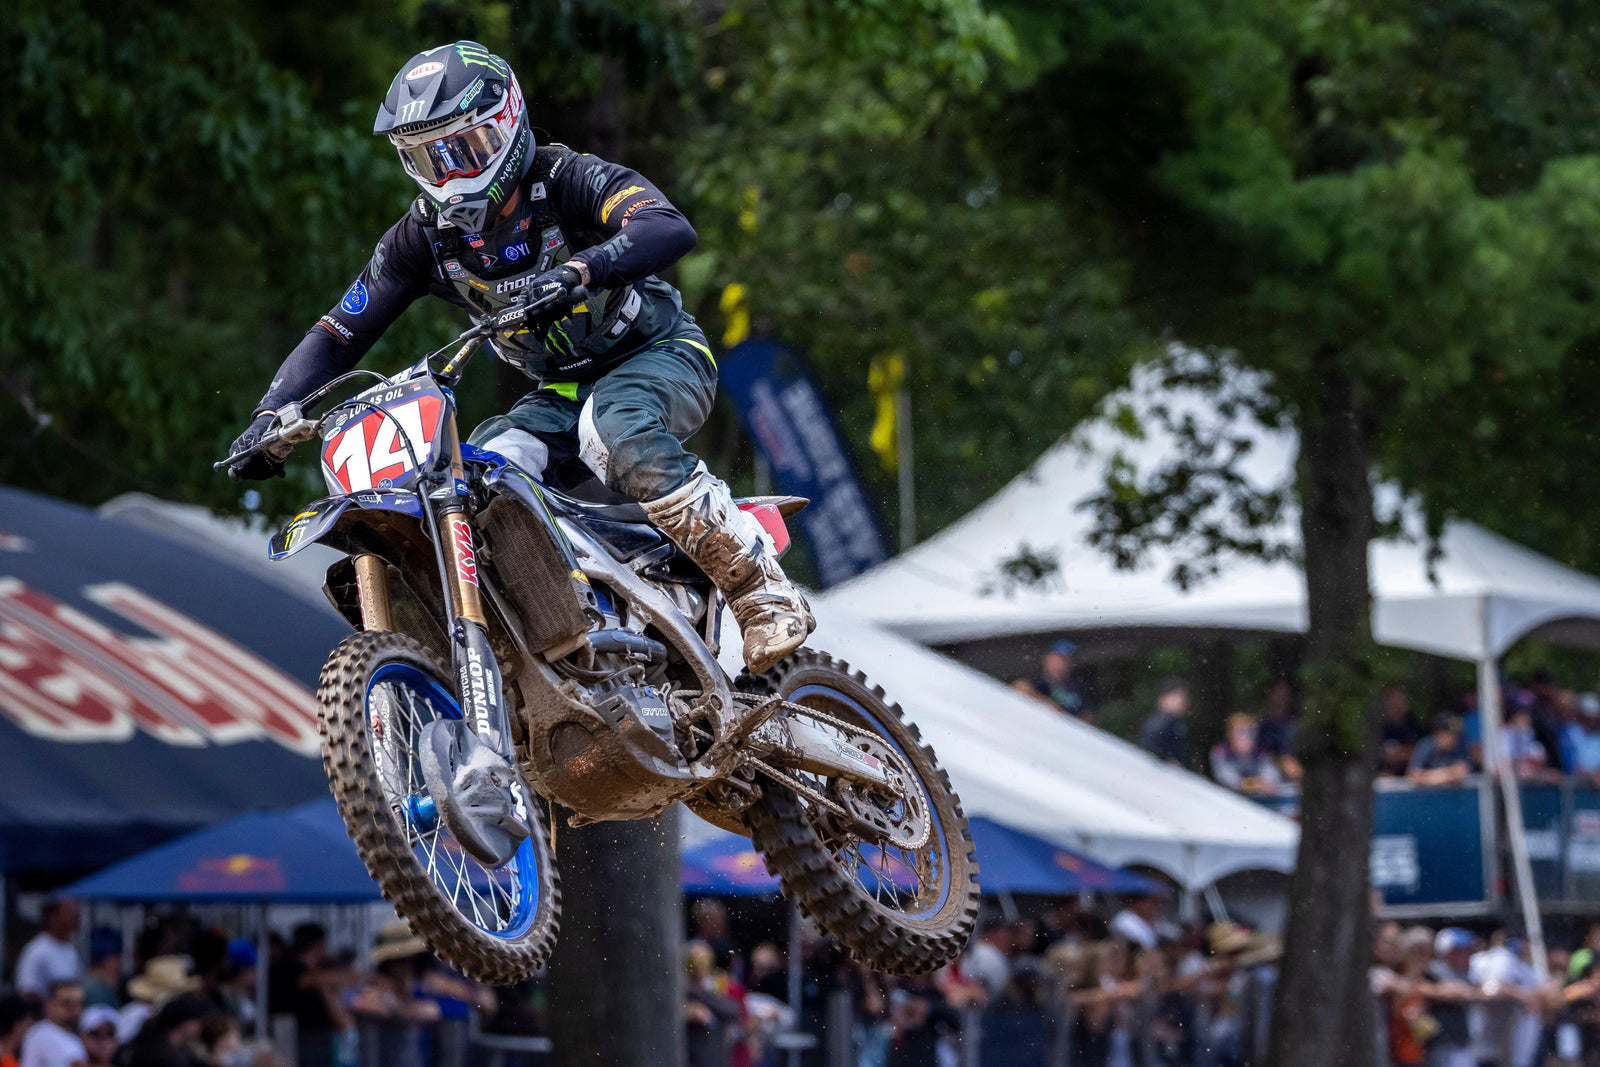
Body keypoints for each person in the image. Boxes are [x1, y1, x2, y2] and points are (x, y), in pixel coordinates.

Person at [225, 40, 812, 674]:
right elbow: (341, 331)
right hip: (556, 394)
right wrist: (272, 412)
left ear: (507, 123)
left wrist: (584, 269)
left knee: (613, 429)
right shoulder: (421, 237)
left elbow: (666, 226)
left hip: (658, 353)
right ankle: (557, 644)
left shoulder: (568, 180)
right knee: (480, 477)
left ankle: (758, 591)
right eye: (429, 156)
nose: (450, 173)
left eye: (463, 148)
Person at [115, 994, 209, 1067]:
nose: (200, 1028)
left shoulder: (180, 1048)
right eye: (198, 1023)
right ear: (185, 1024)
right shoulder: (157, 1052)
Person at [15, 901, 81, 999]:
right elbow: (27, 991)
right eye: (68, 912)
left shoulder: (70, 949)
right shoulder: (37, 950)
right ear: (52, 918)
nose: (75, 917)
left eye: (76, 913)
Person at [1209, 713, 1284, 796]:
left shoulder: (1260, 752)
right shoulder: (1220, 752)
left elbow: (1272, 775)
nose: (1247, 737)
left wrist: (1267, 783)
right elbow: (1229, 781)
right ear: (1230, 734)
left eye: (1251, 732)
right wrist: (1256, 784)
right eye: (1241, 732)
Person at [19, 980, 84, 1067]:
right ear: (49, 1004)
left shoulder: (75, 1039)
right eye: (66, 1003)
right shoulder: (40, 1033)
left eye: (77, 1003)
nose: (73, 1008)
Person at [1254, 679, 1302, 782]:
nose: (1281, 698)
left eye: (1285, 694)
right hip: (1261, 772)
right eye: (1278, 693)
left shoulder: (1294, 724)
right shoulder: (1262, 724)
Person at [1030, 640, 1091, 720]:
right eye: (1058, 659)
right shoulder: (1037, 682)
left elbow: (1087, 716)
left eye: (1066, 660)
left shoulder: (1077, 689)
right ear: (1047, 659)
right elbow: (1020, 688)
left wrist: (1064, 717)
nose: (1061, 664)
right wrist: (1046, 703)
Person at [1408, 715, 1475, 787]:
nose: (1455, 738)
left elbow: (1461, 771)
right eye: (1451, 734)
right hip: (1427, 796)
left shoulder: (1460, 746)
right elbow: (1414, 776)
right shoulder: (1426, 745)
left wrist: (1428, 776)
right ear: (1439, 734)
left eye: (1456, 734)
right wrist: (1448, 774)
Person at [1138, 679, 1190, 767]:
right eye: (1175, 697)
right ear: (1163, 699)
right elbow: (1149, 748)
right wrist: (1168, 760)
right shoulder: (1160, 722)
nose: (1180, 701)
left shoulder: (1177, 723)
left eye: (1182, 697)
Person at [1380, 683, 1425, 777]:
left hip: (1411, 779)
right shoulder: (1379, 728)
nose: (1397, 705)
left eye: (1400, 700)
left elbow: (1424, 750)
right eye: (1393, 701)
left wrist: (1401, 754)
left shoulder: (1415, 726)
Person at [81, 931, 124, 1010]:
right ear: (107, 961)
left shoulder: (104, 987)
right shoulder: (94, 990)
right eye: (117, 960)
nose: (120, 967)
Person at [0, 996, 35, 1067]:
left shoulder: (17, 1056)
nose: (29, 1030)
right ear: (18, 1026)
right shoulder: (3, 1056)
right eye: (28, 1024)